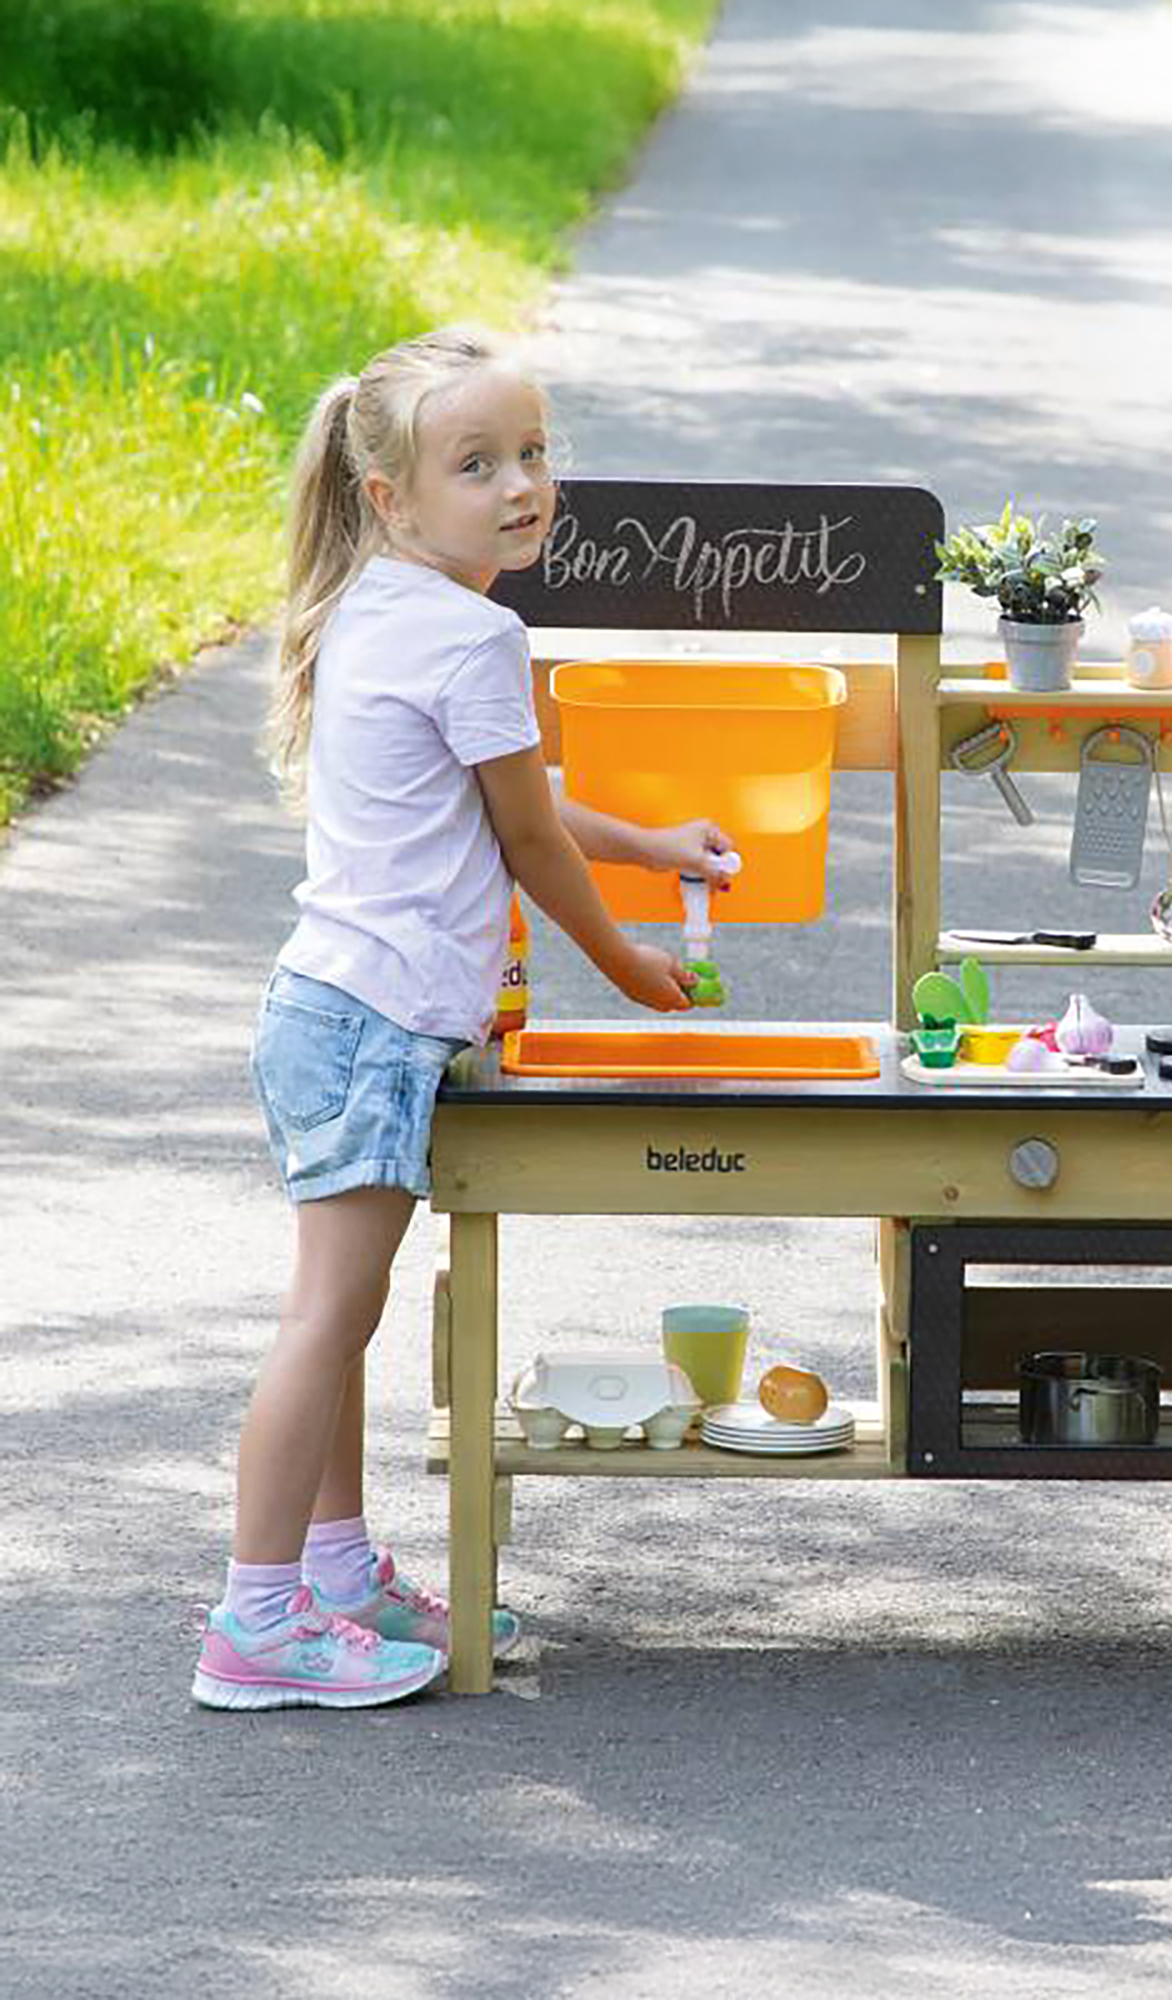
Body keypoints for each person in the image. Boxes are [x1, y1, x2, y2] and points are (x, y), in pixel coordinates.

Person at [193, 327, 731, 1710]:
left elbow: (522, 810)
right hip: (369, 1026)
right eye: (478, 463)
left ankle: (333, 1572)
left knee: (340, 1317)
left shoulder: (384, 601)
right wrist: (623, 960)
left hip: (334, 1011)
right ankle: (254, 1624)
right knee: (326, 1318)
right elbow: (530, 846)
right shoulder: (476, 630)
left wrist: (654, 842)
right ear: (392, 495)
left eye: (535, 455)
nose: (520, 486)